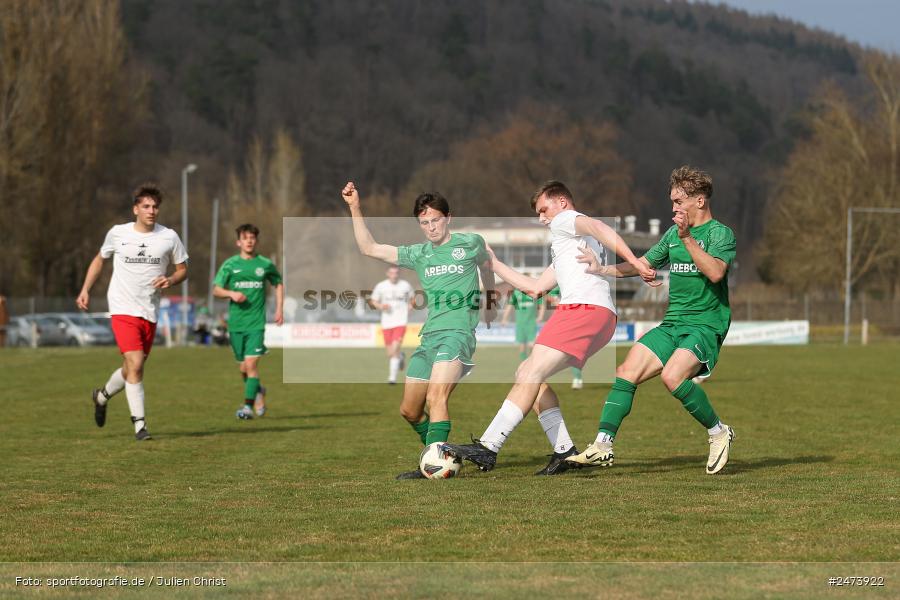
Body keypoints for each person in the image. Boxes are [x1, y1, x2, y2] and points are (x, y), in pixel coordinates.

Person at [442, 181, 655, 475]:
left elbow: (600, 228)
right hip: (593, 314)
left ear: (562, 203)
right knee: (529, 375)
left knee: (530, 373)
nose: (542, 218)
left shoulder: (566, 221)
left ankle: (488, 447)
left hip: (583, 309)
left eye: (544, 210)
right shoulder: (567, 245)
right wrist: (494, 263)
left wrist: (635, 263)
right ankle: (564, 451)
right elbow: (534, 288)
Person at [566, 166, 736, 475]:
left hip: (705, 325)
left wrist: (687, 239)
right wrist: (600, 269)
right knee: (626, 371)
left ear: (699, 201)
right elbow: (642, 264)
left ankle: (718, 432)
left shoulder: (719, 234)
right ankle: (602, 445)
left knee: (673, 378)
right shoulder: (673, 234)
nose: (673, 208)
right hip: (672, 323)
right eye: (671, 201)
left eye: (678, 201)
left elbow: (715, 272)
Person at [341, 181, 496, 480]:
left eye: (435, 220)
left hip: (458, 332)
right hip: (429, 336)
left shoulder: (470, 242)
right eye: (424, 223)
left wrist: (490, 301)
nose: (431, 227)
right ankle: (437, 456)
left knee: (436, 398)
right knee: (409, 411)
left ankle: (437, 465)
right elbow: (368, 248)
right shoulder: (419, 254)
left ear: (448, 217)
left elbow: (487, 265)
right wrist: (355, 207)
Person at [77, 183, 188, 441]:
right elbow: (99, 259)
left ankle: (102, 395)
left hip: (149, 310)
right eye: (146, 206)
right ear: (135, 209)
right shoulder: (118, 233)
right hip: (122, 307)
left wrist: (170, 280)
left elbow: (183, 270)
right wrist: (85, 289)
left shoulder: (169, 236)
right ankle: (140, 426)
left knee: (131, 368)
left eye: (155, 206)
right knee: (136, 364)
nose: (152, 211)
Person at [213, 224, 284, 419]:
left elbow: (278, 283)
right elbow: (216, 289)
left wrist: (279, 308)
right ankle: (258, 391)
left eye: (252, 237)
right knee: (243, 368)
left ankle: (246, 407)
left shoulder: (264, 264)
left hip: (256, 324)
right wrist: (231, 293)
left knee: (251, 365)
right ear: (239, 242)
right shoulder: (230, 265)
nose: (249, 241)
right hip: (236, 324)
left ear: (256, 241)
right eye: (245, 238)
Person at [369, 265, 415, 384]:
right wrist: (381, 306)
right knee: (390, 353)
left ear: (398, 274)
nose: (394, 275)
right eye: (392, 273)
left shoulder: (405, 285)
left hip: (400, 322)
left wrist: (411, 306)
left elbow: (413, 298)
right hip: (386, 322)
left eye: (396, 273)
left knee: (394, 349)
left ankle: (392, 378)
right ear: (387, 273)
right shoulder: (381, 286)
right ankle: (400, 356)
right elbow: (373, 301)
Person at [546, 286, 587, 389]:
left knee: (572, 353)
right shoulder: (556, 291)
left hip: (572, 323)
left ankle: (577, 379)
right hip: (563, 323)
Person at [500, 288, 545, 361]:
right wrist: (504, 319)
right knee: (522, 345)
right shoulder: (516, 293)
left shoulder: (534, 291)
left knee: (531, 344)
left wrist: (540, 316)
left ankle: (532, 361)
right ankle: (523, 363)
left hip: (531, 323)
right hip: (520, 323)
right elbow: (509, 306)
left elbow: (541, 304)